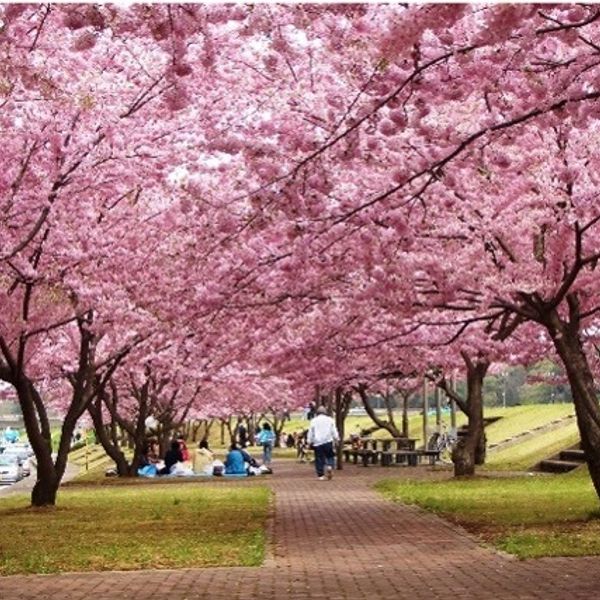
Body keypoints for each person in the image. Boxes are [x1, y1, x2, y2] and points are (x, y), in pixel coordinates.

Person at [307, 406, 339, 480]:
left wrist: (309, 441)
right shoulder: (330, 420)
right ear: (325, 412)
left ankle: (320, 475)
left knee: (319, 458)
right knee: (330, 456)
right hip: (328, 441)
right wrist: (336, 439)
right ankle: (329, 466)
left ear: (317, 413)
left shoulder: (314, 421)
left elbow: (311, 432)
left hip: (317, 442)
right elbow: (334, 430)